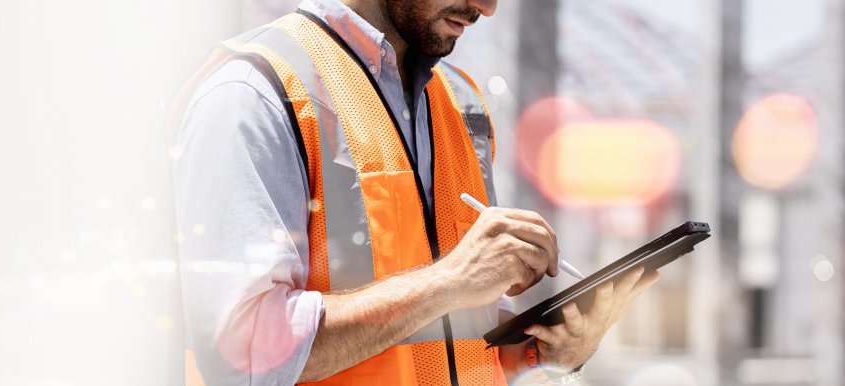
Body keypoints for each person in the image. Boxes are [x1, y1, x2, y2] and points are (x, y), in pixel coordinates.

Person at [170, 0, 660, 384]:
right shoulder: (253, 95)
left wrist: (549, 356)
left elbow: (451, 353)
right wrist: (447, 283)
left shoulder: (460, 102)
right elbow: (242, 358)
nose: (486, 7)